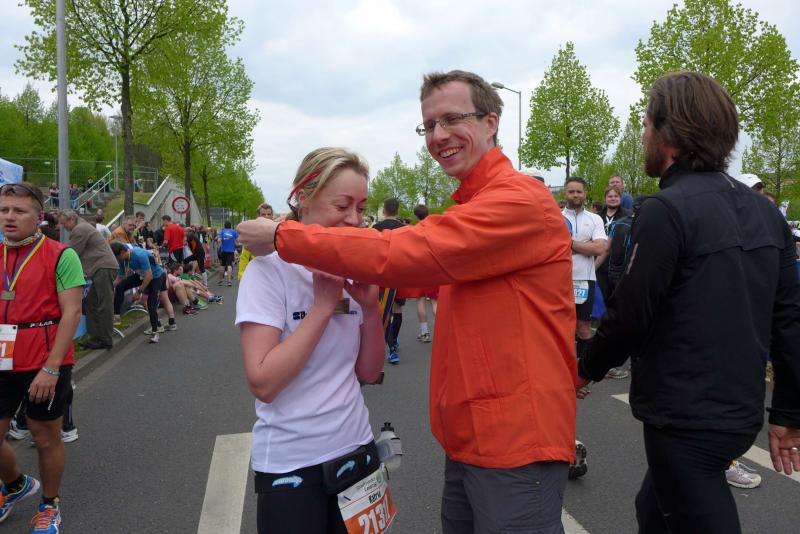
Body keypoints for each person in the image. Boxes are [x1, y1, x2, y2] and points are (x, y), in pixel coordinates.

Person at [237, 69, 576, 533]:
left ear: (491, 122)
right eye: (429, 125)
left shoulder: (517, 201)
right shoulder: (469, 207)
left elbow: (402, 256)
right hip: (470, 438)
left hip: (512, 439)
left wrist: (284, 236)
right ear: (304, 197)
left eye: (452, 119)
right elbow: (416, 274)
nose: (438, 135)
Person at [577, 71, 800, 534]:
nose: (642, 135)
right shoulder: (766, 213)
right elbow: (790, 321)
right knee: (654, 507)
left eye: (646, 124)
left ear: (670, 133)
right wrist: (787, 413)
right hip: (739, 410)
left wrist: (583, 369)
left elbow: (630, 314)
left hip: (684, 417)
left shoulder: (666, 209)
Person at [235, 147, 385, 533]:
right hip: (292, 465)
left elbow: (369, 373)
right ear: (303, 198)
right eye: (342, 206)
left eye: (361, 207)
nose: (355, 219)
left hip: (358, 448)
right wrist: (321, 309)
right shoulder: (268, 272)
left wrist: (370, 310)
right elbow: (263, 382)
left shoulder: (354, 267)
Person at [0, 182, 84, 532]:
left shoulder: (61, 255)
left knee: (44, 436)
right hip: (4, 355)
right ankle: (16, 485)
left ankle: (49, 505)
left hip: (44, 358)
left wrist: (51, 368)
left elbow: (72, 312)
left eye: (19, 211)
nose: (9, 217)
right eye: (4, 210)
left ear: (38, 217)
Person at [59, 210, 118, 350]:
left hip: (102, 267)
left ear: (72, 219)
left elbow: (70, 253)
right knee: (91, 303)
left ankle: (105, 339)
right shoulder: (83, 226)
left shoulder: (79, 229)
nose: (63, 227)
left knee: (103, 304)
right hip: (100, 267)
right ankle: (95, 337)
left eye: (64, 223)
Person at [111, 241, 171, 343]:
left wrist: (139, 292)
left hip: (155, 276)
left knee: (151, 304)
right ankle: (116, 316)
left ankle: (155, 332)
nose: (117, 260)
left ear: (122, 252)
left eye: (117, 257)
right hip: (142, 275)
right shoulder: (123, 258)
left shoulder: (139, 255)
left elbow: (149, 276)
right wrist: (111, 286)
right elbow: (120, 278)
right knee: (120, 287)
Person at [372, 198, 405, 364]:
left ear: (384, 210)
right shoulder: (405, 229)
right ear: (397, 210)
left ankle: (391, 348)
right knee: (398, 309)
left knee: (384, 311)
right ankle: (394, 342)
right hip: (400, 273)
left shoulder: (375, 228)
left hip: (382, 274)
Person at [238, 203, 273, 280]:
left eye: (269, 214)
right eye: (263, 214)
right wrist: (242, 276)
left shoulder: (278, 233)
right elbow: (244, 257)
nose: (266, 217)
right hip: (256, 276)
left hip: (273, 276)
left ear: (272, 216)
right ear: (258, 216)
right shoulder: (251, 234)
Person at [216, 221, 238, 287]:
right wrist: (235, 245)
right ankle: (229, 281)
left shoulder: (222, 232)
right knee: (229, 265)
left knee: (222, 265)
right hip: (231, 251)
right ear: (230, 226)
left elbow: (219, 240)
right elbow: (237, 241)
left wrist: (219, 241)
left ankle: (220, 280)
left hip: (223, 251)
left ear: (224, 226)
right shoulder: (234, 232)